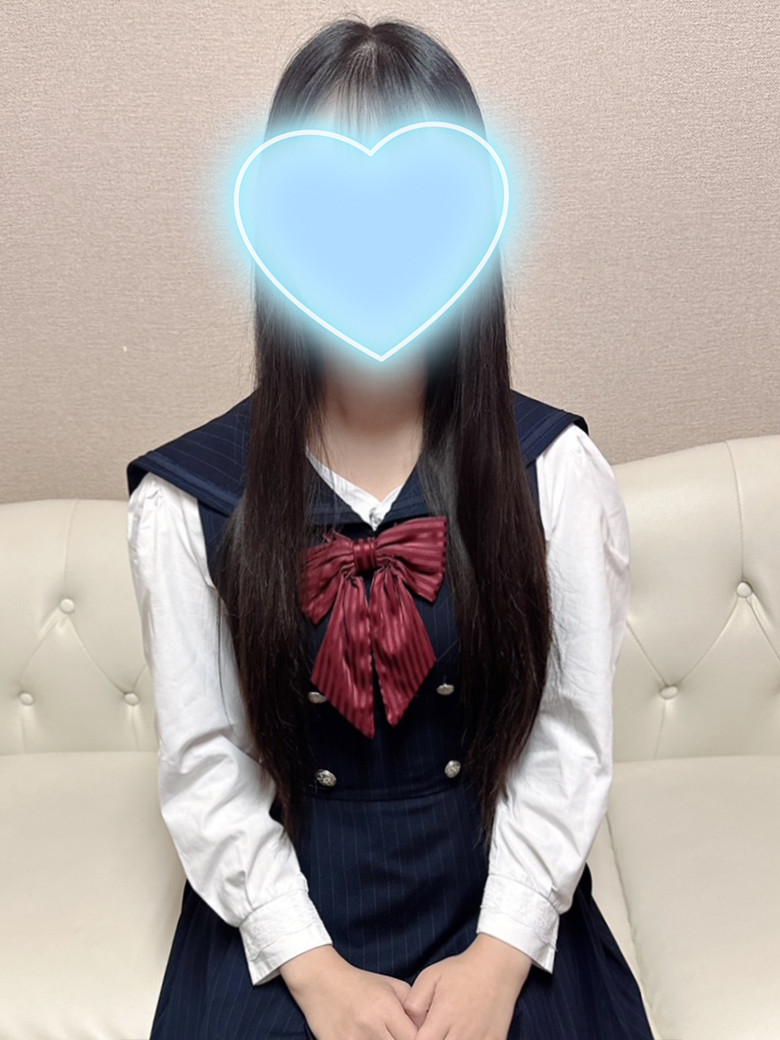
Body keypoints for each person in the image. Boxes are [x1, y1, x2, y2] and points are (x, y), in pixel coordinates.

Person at [126, 17, 655, 1040]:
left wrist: (501, 955)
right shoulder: (185, 503)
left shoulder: (556, 473)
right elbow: (208, 767)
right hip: (291, 922)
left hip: (498, 897)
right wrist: (315, 971)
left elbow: (569, 734)